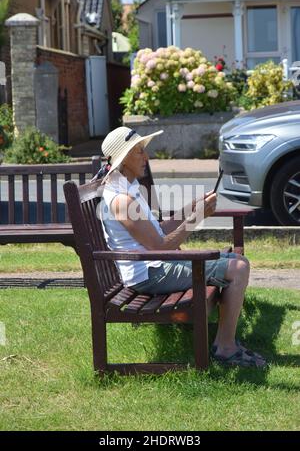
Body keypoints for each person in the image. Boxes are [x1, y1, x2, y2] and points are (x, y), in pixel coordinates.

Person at [95, 126, 267, 368]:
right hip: (150, 274)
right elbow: (159, 246)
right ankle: (225, 348)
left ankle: (225, 342)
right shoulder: (122, 200)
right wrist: (197, 217)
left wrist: (193, 207)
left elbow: (159, 230)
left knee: (233, 262)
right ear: (122, 160)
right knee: (238, 267)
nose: (146, 158)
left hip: (155, 266)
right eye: (139, 152)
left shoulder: (128, 188)